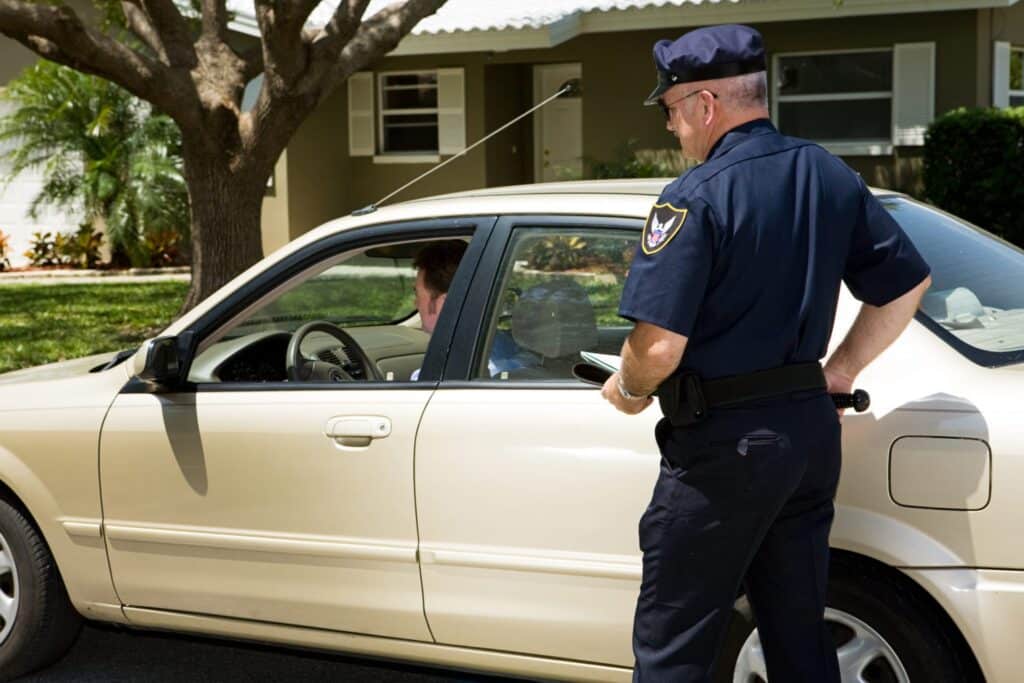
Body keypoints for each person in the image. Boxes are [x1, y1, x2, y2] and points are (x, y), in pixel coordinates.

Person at [600, 24, 932, 682]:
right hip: (807, 439)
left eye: (670, 111)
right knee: (798, 637)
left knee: (675, 649)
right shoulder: (829, 175)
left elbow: (659, 345)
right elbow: (908, 282)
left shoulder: (693, 197)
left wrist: (628, 387)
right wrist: (838, 374)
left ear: (704, 104)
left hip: (726, 451)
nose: (672, 129)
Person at [409, 241, 467, 381]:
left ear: (446, 304)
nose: (415, 304)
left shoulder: (435, 378)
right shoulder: (504, 347)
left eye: (417, 294)